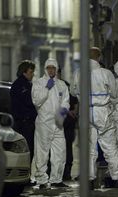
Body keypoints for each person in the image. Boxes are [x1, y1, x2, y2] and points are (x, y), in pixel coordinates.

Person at [71, 47, 118, 188]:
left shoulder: (78, 73)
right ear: (99, 57)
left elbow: (73, 91)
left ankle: (89, 178)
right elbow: (114, 93)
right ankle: (117, 177)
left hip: (86, 112)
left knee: (89, 148)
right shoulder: (106, 73)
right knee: (109, 146)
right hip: (102, 112)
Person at [32, 58, 70, 188]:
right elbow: (36, 101)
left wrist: (61, 116)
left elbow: (66, 101)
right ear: (45, 69)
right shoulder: (38, 83)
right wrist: (46, 88)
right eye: (49, 68)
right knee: (42, 152)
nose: (51, 70)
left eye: (53, 68)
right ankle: (42, 179)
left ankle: (56, 179)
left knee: (60, 152)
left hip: (58, 123)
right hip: (44, 123)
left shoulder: (62, 85)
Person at [10, 60, 37, 182]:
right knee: (27, 150)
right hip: (24, 123)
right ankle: (25, 176)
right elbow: (30, 101)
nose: (33, 74)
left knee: (27, 150)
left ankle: (26, 175)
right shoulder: (21, 85)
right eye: (31, 72)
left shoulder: (25, 84)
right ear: (24, 72)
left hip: (25, 122)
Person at [57, 66, 78, 181]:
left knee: (67, 148)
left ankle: (67, 171)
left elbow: (74, 104)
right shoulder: (49, 86)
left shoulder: (66, 86)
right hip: (57, 123)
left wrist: (73, 112)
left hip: (67, 123)